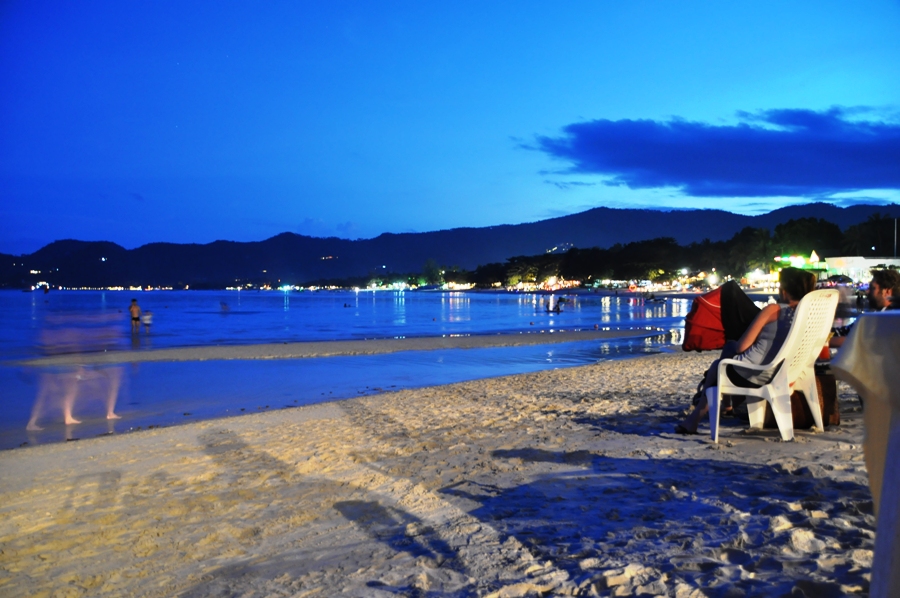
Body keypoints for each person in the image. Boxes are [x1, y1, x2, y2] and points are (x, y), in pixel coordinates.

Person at [675, 267, 817, 435]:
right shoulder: (809, 315)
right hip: (789, 373)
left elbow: (742, 347)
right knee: (728, 351)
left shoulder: (773, 310)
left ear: (784, 292)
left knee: (718, 365)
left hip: (757, 375)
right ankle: (727, 405)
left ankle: (695, 418)